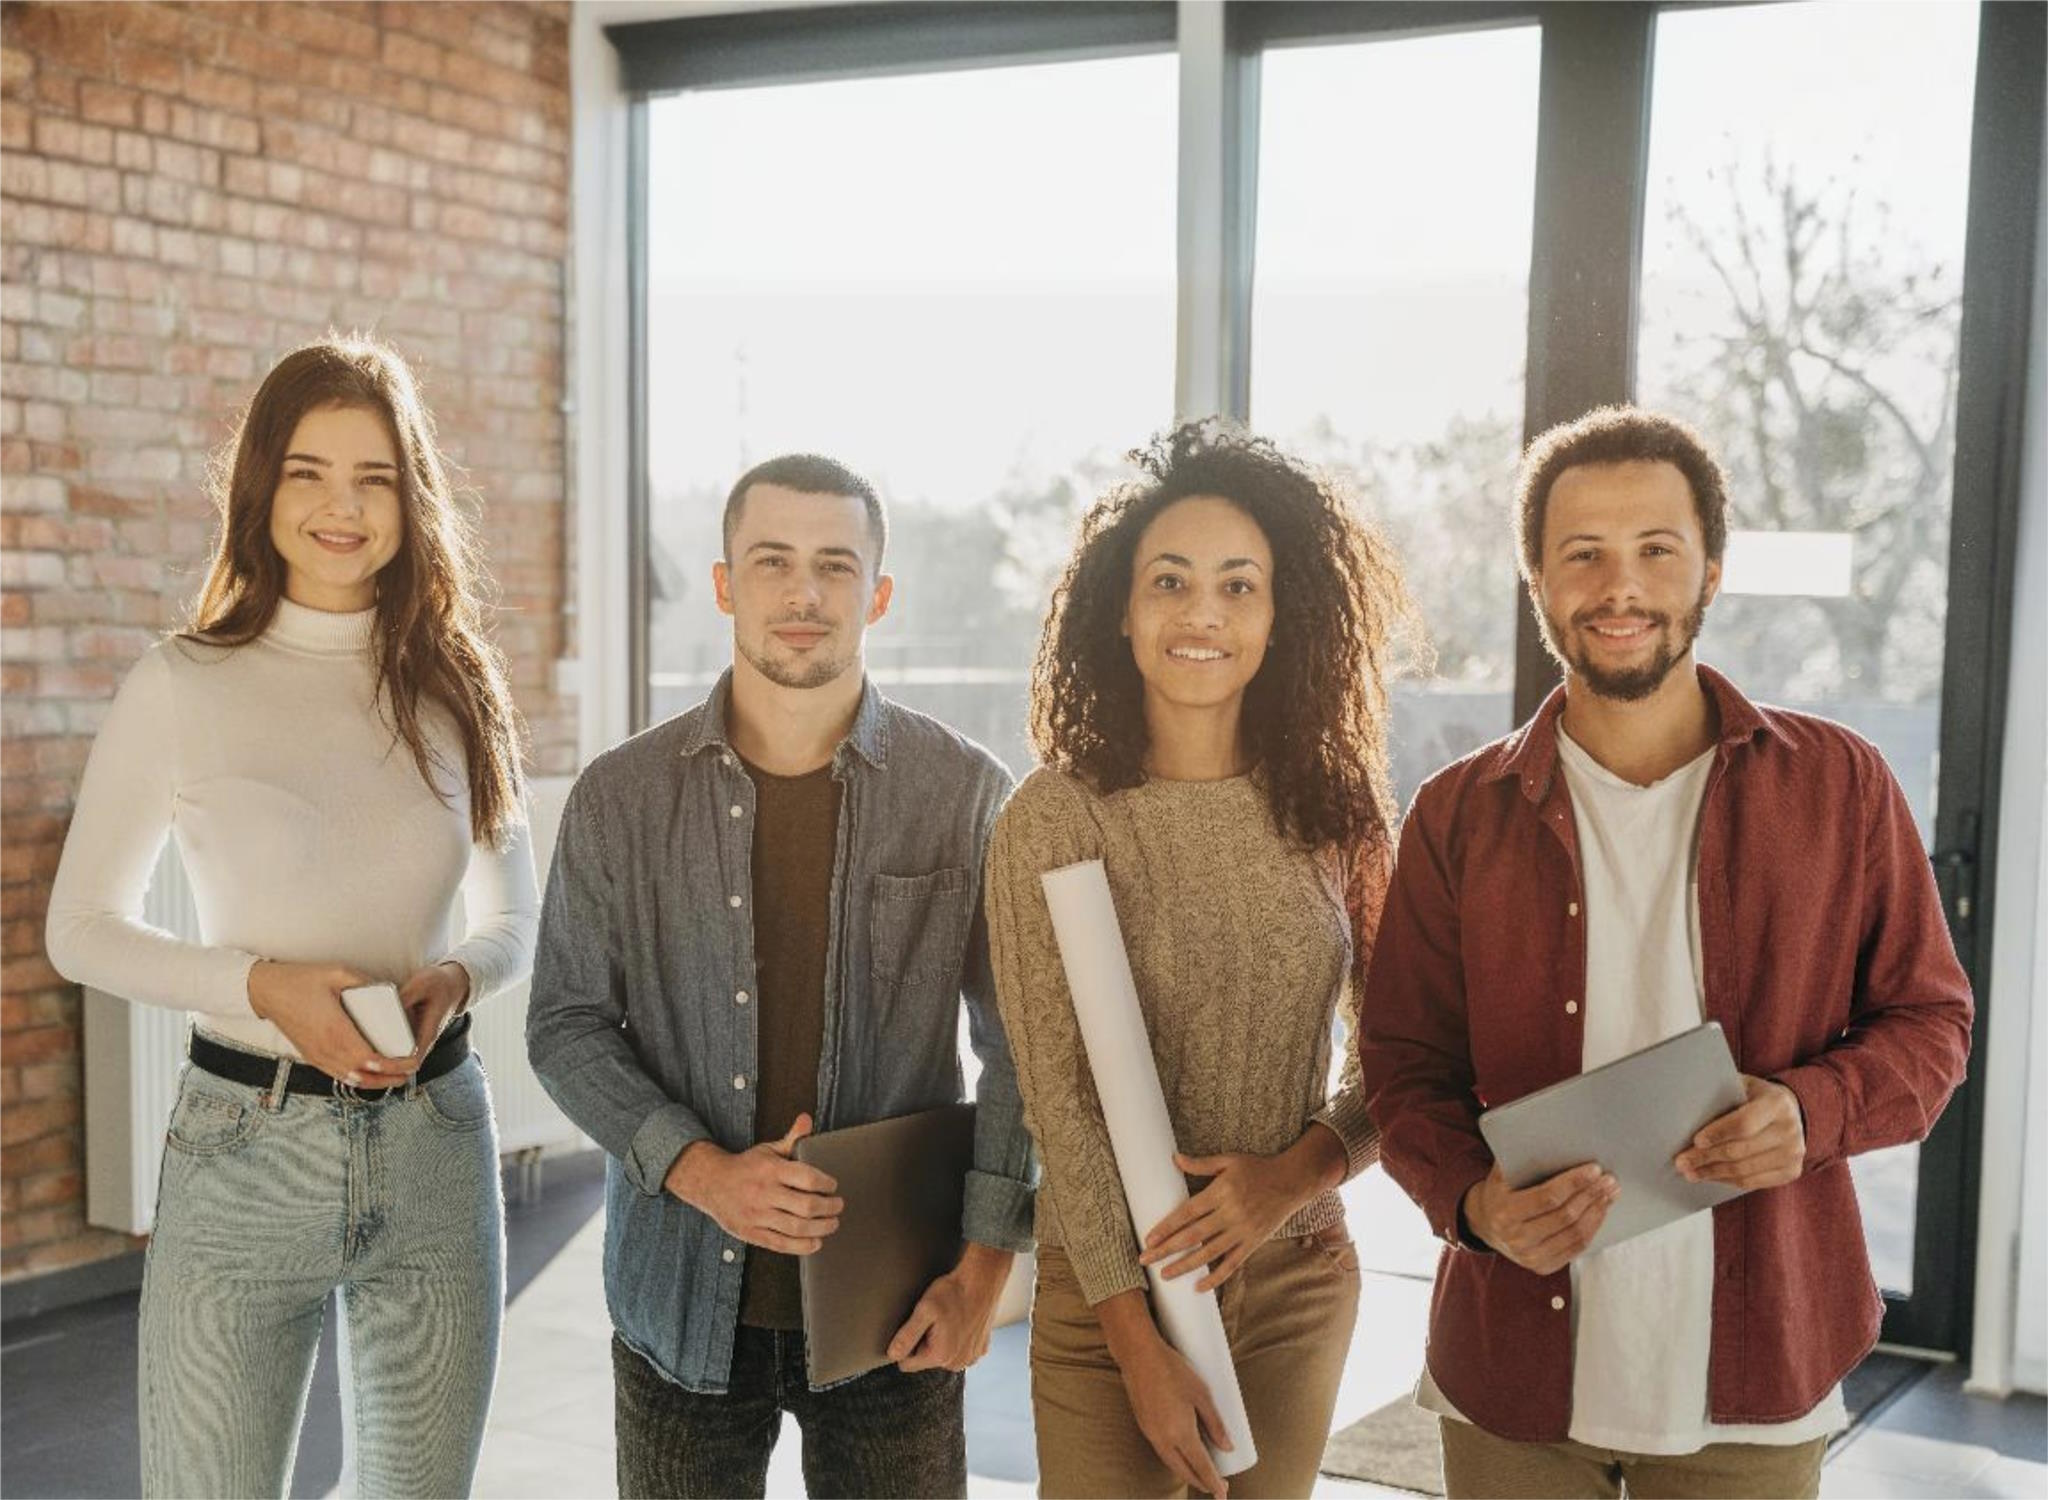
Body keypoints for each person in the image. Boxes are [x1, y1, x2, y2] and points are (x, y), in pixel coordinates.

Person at [1361, 405, 1974, 1499]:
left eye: (1655, 550)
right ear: (1536, 580)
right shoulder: (1454, 814)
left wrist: (1808, 1111)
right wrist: (1472, 1206)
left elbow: (1930, 1027)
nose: (1618, 587)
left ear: (1710, 570)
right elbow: (1402, 1066)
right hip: (1510, 1386)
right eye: (1580, 554)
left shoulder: (1840, 785)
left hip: (1758, 1373)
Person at [45, 335, 538, 1498]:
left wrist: (453, 980)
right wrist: (259, 986)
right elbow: (83, 929)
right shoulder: (182, 683)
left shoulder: (457, 681)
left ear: (410, 501)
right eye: (309, 471)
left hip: (436, 1150)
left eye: (374, 477)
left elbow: (510, 913)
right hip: (242, 1149)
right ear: (259, 483)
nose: (341, 507)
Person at [525, 453, 1036, 1499]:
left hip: (896, 1308)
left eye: (834, 566)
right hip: (677, 1301)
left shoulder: (966, 793)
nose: (802, 594)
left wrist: (985, 1264)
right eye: (771, 561)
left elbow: (1018, 1048)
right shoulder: (619, 799)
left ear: (877, 594)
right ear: (724, 584)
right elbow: (566, 1022)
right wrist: (704, 1172)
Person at [985, 421, 1413, 1499]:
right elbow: (1061, 1101)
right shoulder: (1054, 817)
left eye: (1238, 586)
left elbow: (1405, 1051)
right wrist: (1137, 1343)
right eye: (1169, 582)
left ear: (1280, 618)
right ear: (1120, 614)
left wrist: (1295, 1176)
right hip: (1108, 1300)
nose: (1202, 615)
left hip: (1298, 1278)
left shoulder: (1336, 816)